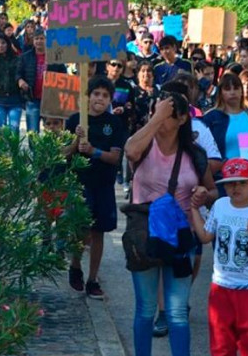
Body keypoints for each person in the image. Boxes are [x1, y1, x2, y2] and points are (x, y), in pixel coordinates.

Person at [125, 83, 216, 356]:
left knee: (177, 313)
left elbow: (213, 192)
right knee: (146, 309)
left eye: (170, 112)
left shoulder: (195, 154)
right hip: (145, 237)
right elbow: (130, 151)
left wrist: (203, 194)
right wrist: (157, 116)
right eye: (159, 109)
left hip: (181, 238)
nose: (163, 116)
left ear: (183, 119)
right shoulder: (143, 144)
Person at [189, 158, 248, 356]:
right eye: (230, 183)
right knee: (221, 348)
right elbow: (205, 236)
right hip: (221, 289)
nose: (236, 187)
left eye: (242, 182)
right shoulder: (220, 205)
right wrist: (194, 210)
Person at [65, 77, 127, 299]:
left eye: (105, 95)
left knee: (98, 231)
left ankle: (93, 279)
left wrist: (94, 151)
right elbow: (63, 154)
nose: (100, 98)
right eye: (96, 94)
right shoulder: (75, 120)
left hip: (103, 184)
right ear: (88, 96)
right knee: (81, 229)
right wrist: (76, 140)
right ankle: (75, 265)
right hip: (80, 182)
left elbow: (115, 157)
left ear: (110, 100)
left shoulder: (115, 123)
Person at [201, 72, 248, 161]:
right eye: (227, 89)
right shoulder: (210, 118)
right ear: (220, 93)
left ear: (241, 91)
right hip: (221, 173)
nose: (232, 92)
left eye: (236, 88)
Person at [17, 27, 67, 133]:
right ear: (33, 41)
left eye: (41, 38)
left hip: (50, 101)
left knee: (53, 132)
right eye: (37, 39)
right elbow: (18, 73)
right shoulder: (25, 57)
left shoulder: (55, 57)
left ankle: (51, 150)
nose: (39, 41)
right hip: (32, 99)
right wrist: (20, 80)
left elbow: (64, 74)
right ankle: (34, 150)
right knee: (32, 133)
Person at [0, 34, 23, 134]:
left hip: (14, 100)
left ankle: (14, 150)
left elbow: (20, 74)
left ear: (8, 44)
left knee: (14, 129)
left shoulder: (16, 59)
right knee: (2, 130)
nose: (1, 46)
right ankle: (2, 150)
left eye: (3, 43)